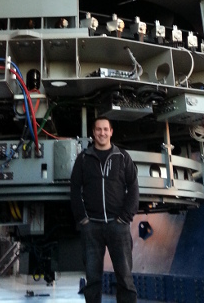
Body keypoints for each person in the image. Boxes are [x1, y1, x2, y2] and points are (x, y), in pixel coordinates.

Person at [70, 116, 139, 303]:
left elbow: (133, 187)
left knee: (125, 277)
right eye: (98, 130)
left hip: (119, 226)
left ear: (111, 132)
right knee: (93, 279)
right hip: (92, 227)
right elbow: (75, 189)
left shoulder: (122, 157)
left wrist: (125, 217)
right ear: (93, 132)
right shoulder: (83, 159)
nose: (102, 133)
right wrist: (82, 218)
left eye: (105, 129)